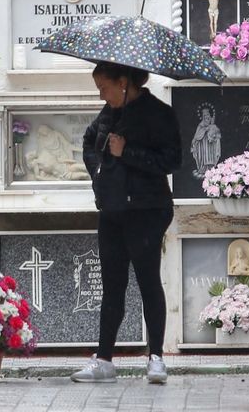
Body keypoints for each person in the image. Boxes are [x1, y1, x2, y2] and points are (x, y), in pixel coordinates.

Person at [72, 62, 181, 384]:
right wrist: (100, 176)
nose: (101, 94)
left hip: (148, 209)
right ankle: (104, 359)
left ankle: (156, 357)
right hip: (113, 209)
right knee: (112, 286)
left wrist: (127, 152)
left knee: (148, 281)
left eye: (104, 87)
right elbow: (90, 144)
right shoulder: (108, 113)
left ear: (123, 82)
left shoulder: (158, 113)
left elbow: (172, 160)